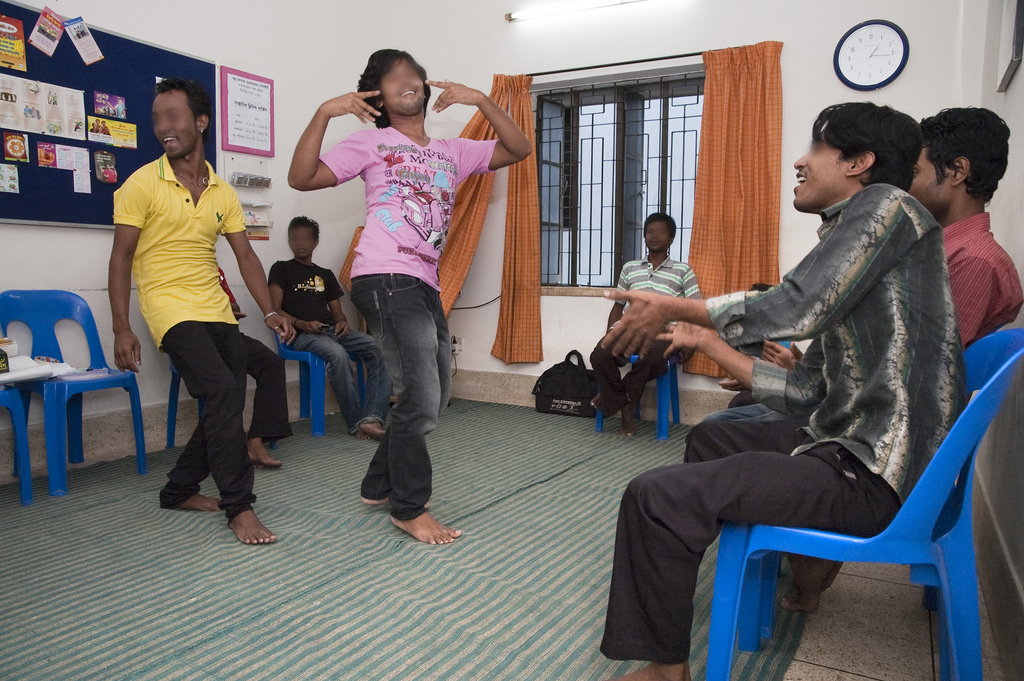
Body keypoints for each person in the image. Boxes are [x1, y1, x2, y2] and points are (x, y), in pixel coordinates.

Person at [595, 102, 966, 681]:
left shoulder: (888, 208)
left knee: (655, 494)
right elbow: (805, 392)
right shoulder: (864, 246)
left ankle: (667, 671)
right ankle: (735, 573)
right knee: (711, 443)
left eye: (817, 149)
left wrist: (672, 305)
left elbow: (795, 305)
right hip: (847, 448)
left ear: (860, 162)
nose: (800, 161)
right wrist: (706, 337)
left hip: (876, 474)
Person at [288, 49, 531, 545]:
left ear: (424, 84)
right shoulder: (370, 143)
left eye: (411, 72)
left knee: (435, 394)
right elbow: (301, 177)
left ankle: (377, 485)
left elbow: (518, 147)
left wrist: (482, 100)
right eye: (390, 76)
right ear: (377, 95)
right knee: (419, 396)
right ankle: (409, 506)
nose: (406, 80)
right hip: (383, 274)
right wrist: (322, 113)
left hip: (424, 282)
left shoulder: (452, 151)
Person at [108, 77, 294, 546]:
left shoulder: (222, 192)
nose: (162, 128)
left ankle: (179, 490)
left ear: (200, 122)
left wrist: (270, 313)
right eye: (156, 119)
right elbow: (121, 258)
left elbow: (246, 258)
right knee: (223, 393)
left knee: (225, 396)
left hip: (214, 308)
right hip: (170, 309)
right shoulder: (141, 184)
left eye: (172, 117)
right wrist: (121, 327)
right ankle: (239, 506)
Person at [269, 216, 391, 442]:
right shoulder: (281, 269)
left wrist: (343, 322)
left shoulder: (325, 274)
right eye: (295, 239)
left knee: (379, 349)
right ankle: (356, 423)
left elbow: (338, 313)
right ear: (289, 241)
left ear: (316, 242)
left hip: (330, 330)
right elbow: (274, 310)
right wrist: (301, 324)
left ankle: (372, 417)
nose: (300, 243)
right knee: (338, 355)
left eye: (305, 238)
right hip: (301, 335)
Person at [910, 107, 1022, 347]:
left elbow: (928, 363)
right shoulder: (945, 250)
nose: (905, 185)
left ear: (958, 171)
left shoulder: (972, 260)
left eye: (914, 172)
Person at [590, 212, 700, 436]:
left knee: (654, 357)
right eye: (650, 231)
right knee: (599, 355)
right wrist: (611, 333)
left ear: (671, 238)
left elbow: (695, 310)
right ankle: (624, 400)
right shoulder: (630, 268)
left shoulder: (683, 271)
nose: (654, 236)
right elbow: (619, 306)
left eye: (660, 232)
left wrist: (691, 341)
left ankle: (623, 404)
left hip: (664, 331)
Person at [218, 267, 291, 468]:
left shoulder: (213, 269)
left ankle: (255, 441)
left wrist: (227, 308)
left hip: (226, 332)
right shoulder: (172, 264)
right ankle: (229, 446)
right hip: (196, 337)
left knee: (272, 364)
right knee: (232, 371)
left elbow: (233, 303)